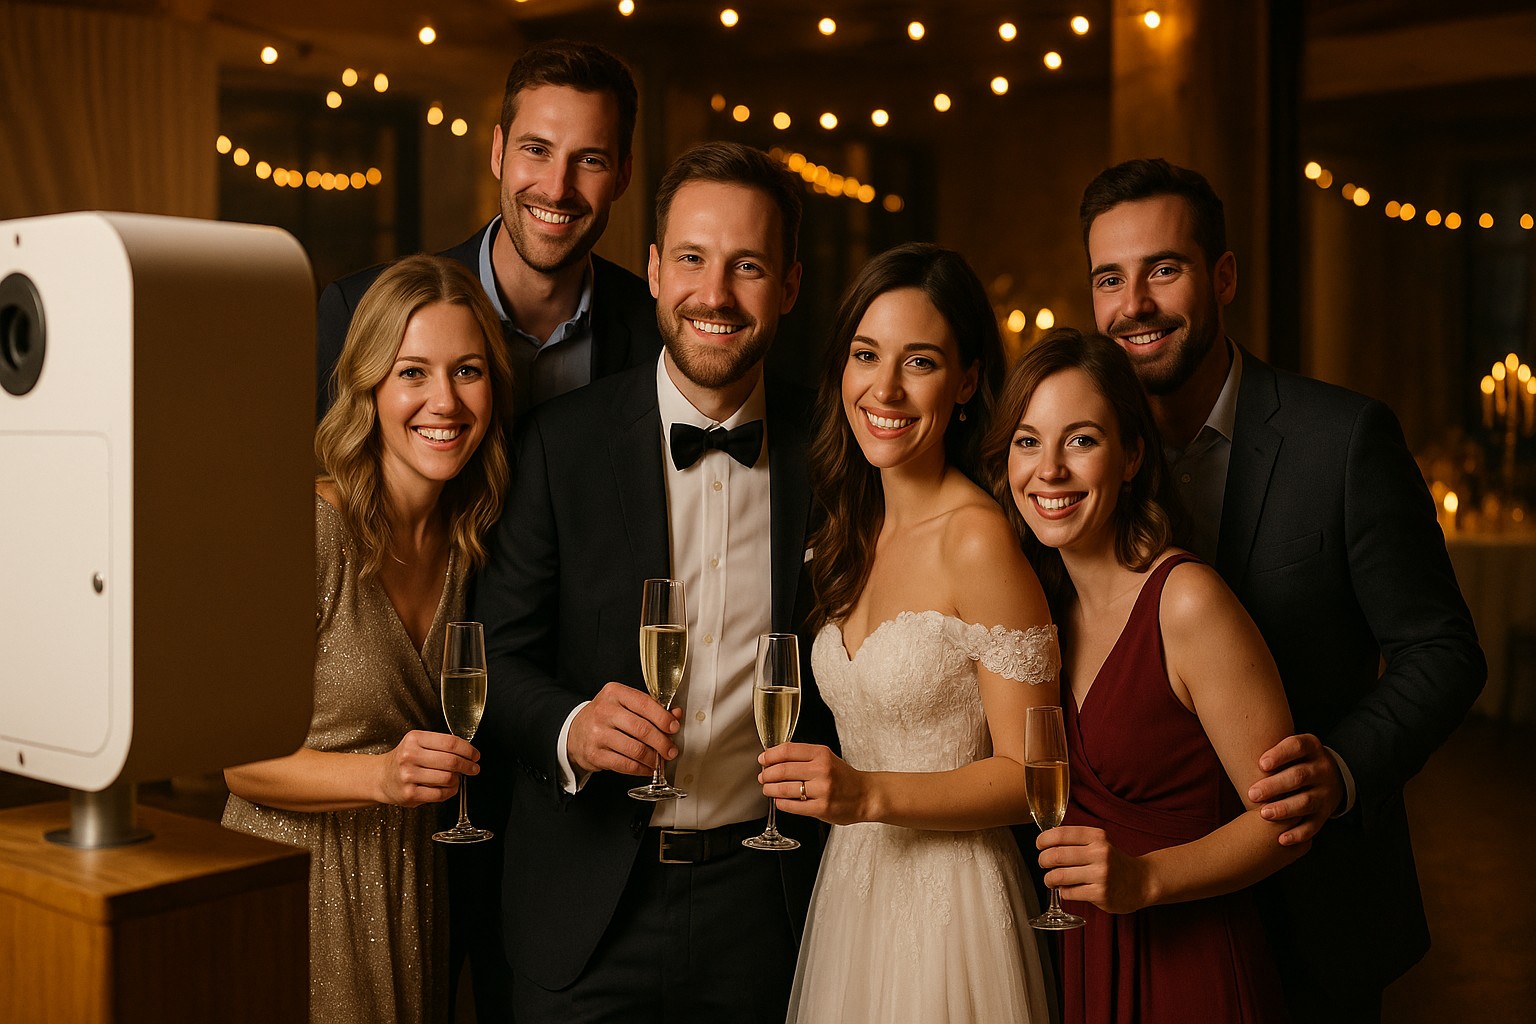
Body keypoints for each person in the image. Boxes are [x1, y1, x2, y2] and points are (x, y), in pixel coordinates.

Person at [1078, 158, 1485, 1020]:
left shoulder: (1343, 439)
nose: (1134, 304)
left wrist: (1341, 768)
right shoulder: (1077, 460)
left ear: (1223, 276)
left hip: (1313, 910)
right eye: (1109, 278)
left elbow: (1443, 651)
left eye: (1163, 269)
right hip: (1136, 915)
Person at [470, 141, 830, 1023]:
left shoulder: (835, 452)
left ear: (788, 285)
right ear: (657, 271)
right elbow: (493, 664)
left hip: (770, 908)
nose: (716, 295)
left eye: (748, 267)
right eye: (694, 260)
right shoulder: (558, 444)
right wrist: (572, 726)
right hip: (584, 915)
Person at [758, 243, 1056, 1023]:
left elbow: (1034, 776)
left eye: (919, 362)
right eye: (866, 355)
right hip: (852, 891)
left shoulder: (978, 540)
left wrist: (867, 793)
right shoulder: (845, 530)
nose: (884, 388)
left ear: (967, 381)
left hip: (954, 905)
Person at [224, 254, 516, 1024]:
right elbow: (239, 761)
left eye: (467, 371)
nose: (444, 401)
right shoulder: (310, 531)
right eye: (413, 372)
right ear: (370, 389)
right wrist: (382, 778)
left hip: (412, 883)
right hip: (293, 879)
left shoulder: (474, 545)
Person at [986, 327, 1302, 1022]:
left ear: (1131, 455)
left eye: (1081, 440)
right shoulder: (1043, 610)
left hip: (1190, 966)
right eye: (1028, 441)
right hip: (1084, 958)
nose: (1049, 470)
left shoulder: (1186, 601)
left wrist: (1146, 878)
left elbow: (1285, 821)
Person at [314, 39, 660, 420]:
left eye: (590, 160)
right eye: (536, 150)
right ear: (498, 152)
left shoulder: (658, 332)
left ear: (622, 176)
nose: (557, 189)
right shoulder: (355, 312)